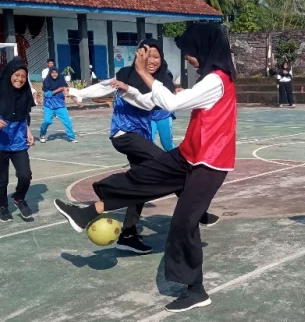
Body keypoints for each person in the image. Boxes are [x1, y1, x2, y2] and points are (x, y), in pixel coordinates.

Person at [54, 23, 237, 313]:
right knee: (143, 176)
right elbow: (156, 99)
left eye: (188, 53)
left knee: (183, 223)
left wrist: (142, 74)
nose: (187, 59)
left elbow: (174, 102)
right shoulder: (210, 79)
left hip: (209, 164)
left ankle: (196, 289)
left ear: (203, 49)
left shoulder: (217, 80)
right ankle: (87, 211)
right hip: (188, 155)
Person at [68, 39, 219, 254]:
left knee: (143, 182)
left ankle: (128, 233)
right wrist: (79, 93)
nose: (152, 61)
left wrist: (128, 89)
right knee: (168, 166)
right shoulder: (126, 73)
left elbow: (147, 103)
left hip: (142, 137)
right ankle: (196, 212)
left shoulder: (163, 81)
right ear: (139, 57)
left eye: (156, 56)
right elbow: (103, 86)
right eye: (147, 56)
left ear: (162, 59)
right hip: (124, 134)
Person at [0, 59, 36, 222]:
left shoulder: (25, 92)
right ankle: (2, 206)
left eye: (23, 76)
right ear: (9, 75)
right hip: (1, 141)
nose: (20, 79)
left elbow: (25, 114)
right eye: (16, 75)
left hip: (18, 140)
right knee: (1, 180)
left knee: (25, 175)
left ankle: (19, 197)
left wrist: (28, 131)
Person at [40, 67, 77, 143]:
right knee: (47, 121)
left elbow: (66, 91)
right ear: (50, 73)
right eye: (52, 73)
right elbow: (47, 94)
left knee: (67, 121)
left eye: (56, 72)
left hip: (60, 104)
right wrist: (58, 90)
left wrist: (75, 99)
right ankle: (42, 134)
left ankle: (71, 137)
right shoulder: (46, 81)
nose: (54, 74)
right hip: (49, 104)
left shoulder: (61, 80)